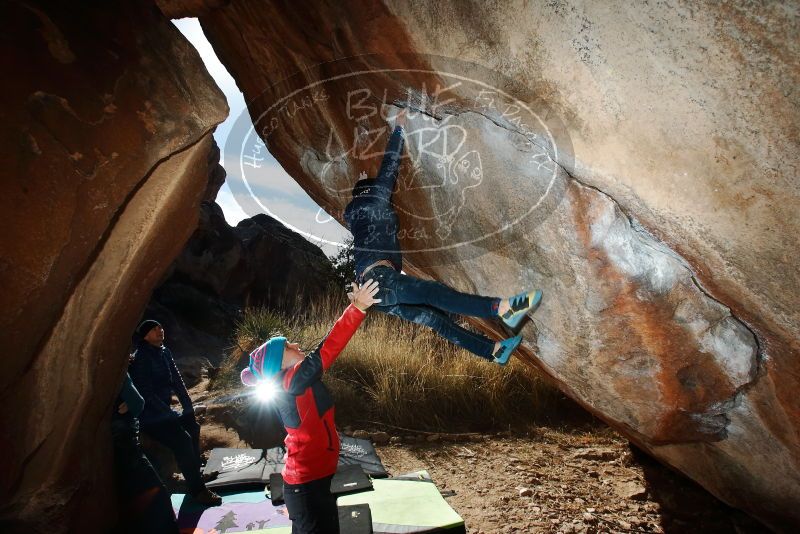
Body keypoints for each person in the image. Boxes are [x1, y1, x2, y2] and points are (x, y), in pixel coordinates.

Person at [342, 107, 542, 364]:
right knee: (432, 294)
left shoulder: (355, 214)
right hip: (379, 282)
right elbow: (390, 166)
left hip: (376, 292)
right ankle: (502, 309)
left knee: (434, 319)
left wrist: (361, 186)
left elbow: (362, 199)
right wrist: (400, 127)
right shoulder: (375, 201)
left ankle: (494, 351)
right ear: (371, 192)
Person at [240, 280, 381, 534]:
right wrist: (357, 308)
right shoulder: (291, 381)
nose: (295, 345)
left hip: (312, 480)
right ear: (279, 362)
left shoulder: (290, 382)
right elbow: (326, 350)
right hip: (306, 486)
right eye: (287, 346)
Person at [129, 319, 221, 506]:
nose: (160, 330)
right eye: (154, 329)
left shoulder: (164, 352)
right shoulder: (142, 357)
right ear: (145, 336)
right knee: (182, 440)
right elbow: (146, 393)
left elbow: (177, 381)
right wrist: (168, 414)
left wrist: (187, 407)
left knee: (192, 427)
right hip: (150, 415)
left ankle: (196, 474)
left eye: (160, 327)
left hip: (166, 411)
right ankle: (197, 491)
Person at [112, 372, 179, 533]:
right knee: (157, 496)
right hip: (126, 444)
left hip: (114, 447)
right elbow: (137, 402)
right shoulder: (115, 367)